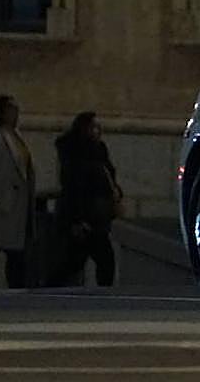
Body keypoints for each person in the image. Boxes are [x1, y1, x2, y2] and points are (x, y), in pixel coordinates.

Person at [50, 112, 120, 287]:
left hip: (96, 216)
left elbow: (107, 178)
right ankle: (50, 286)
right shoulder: (76, 156)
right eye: (93, 127)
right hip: (85, 216)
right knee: (99, 259)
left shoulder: (98, 151)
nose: (97, 131)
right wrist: (79, 220)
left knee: (77, 260)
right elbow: (75, 188)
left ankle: (50, 285)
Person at [0, 95, 35, 288]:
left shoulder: (16, 136)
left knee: (15, 252)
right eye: (10, 109)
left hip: (16, 207)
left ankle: (18, 289)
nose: (14, 114)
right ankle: (18, 288)